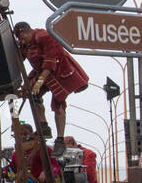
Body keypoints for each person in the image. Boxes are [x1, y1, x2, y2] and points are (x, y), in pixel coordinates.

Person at [14, 23, 89, 155]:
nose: (22, 41)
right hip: (41, 72)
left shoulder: (44, 37)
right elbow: (19, 58)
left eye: (22, 37)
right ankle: (43, 126)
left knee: (57, 104)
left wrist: (39, 82)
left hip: (59, 73)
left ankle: (60, 140)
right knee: (32, 95)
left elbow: (50, 62)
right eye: (20, 39)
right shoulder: (25, 43)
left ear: (27, 31)